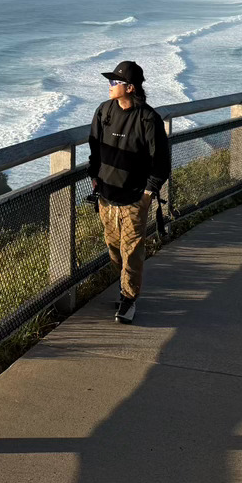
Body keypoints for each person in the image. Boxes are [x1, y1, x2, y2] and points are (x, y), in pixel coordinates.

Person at [88, 60, 170, 324]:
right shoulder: (104, 111)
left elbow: (161, 162)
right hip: (107, 198)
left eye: (115, 82)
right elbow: (94, 148)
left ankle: (128, 299)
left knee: (131, 251)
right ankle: (124, 289)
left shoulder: (148, 119)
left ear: (130, 88)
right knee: (114, 250)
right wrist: (94, 179)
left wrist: (148, 194)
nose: (110, 86)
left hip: (135, 198)